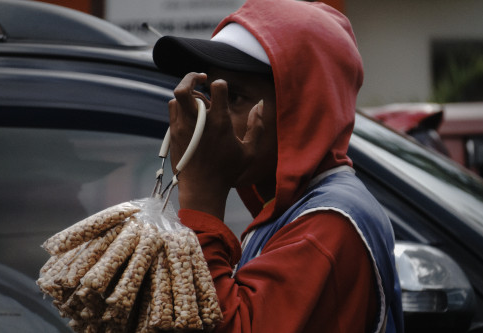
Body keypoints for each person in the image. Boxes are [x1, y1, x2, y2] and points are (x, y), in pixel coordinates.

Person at [152, 0, 404, 332]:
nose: (211, 117)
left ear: (301, 111)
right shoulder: (288, 211)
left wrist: (203, 195)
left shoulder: (328, 226)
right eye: (209, 94)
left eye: (235, 98)